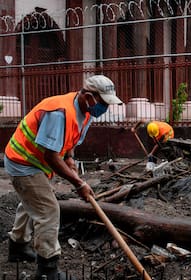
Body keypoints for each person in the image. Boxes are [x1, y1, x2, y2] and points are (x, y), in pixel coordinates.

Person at [4, 74, 123, 279]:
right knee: (48, 211)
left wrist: (69, 157)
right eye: (102, 103)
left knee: (32, 202)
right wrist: (78, 183)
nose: (104, 108)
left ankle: (18, 246)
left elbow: (71, 142)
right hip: (23, 162)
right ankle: (47, 270)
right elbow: (50, 156)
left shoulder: (85, 113)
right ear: (87, 96)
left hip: (36, 162)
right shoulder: (59, 112)